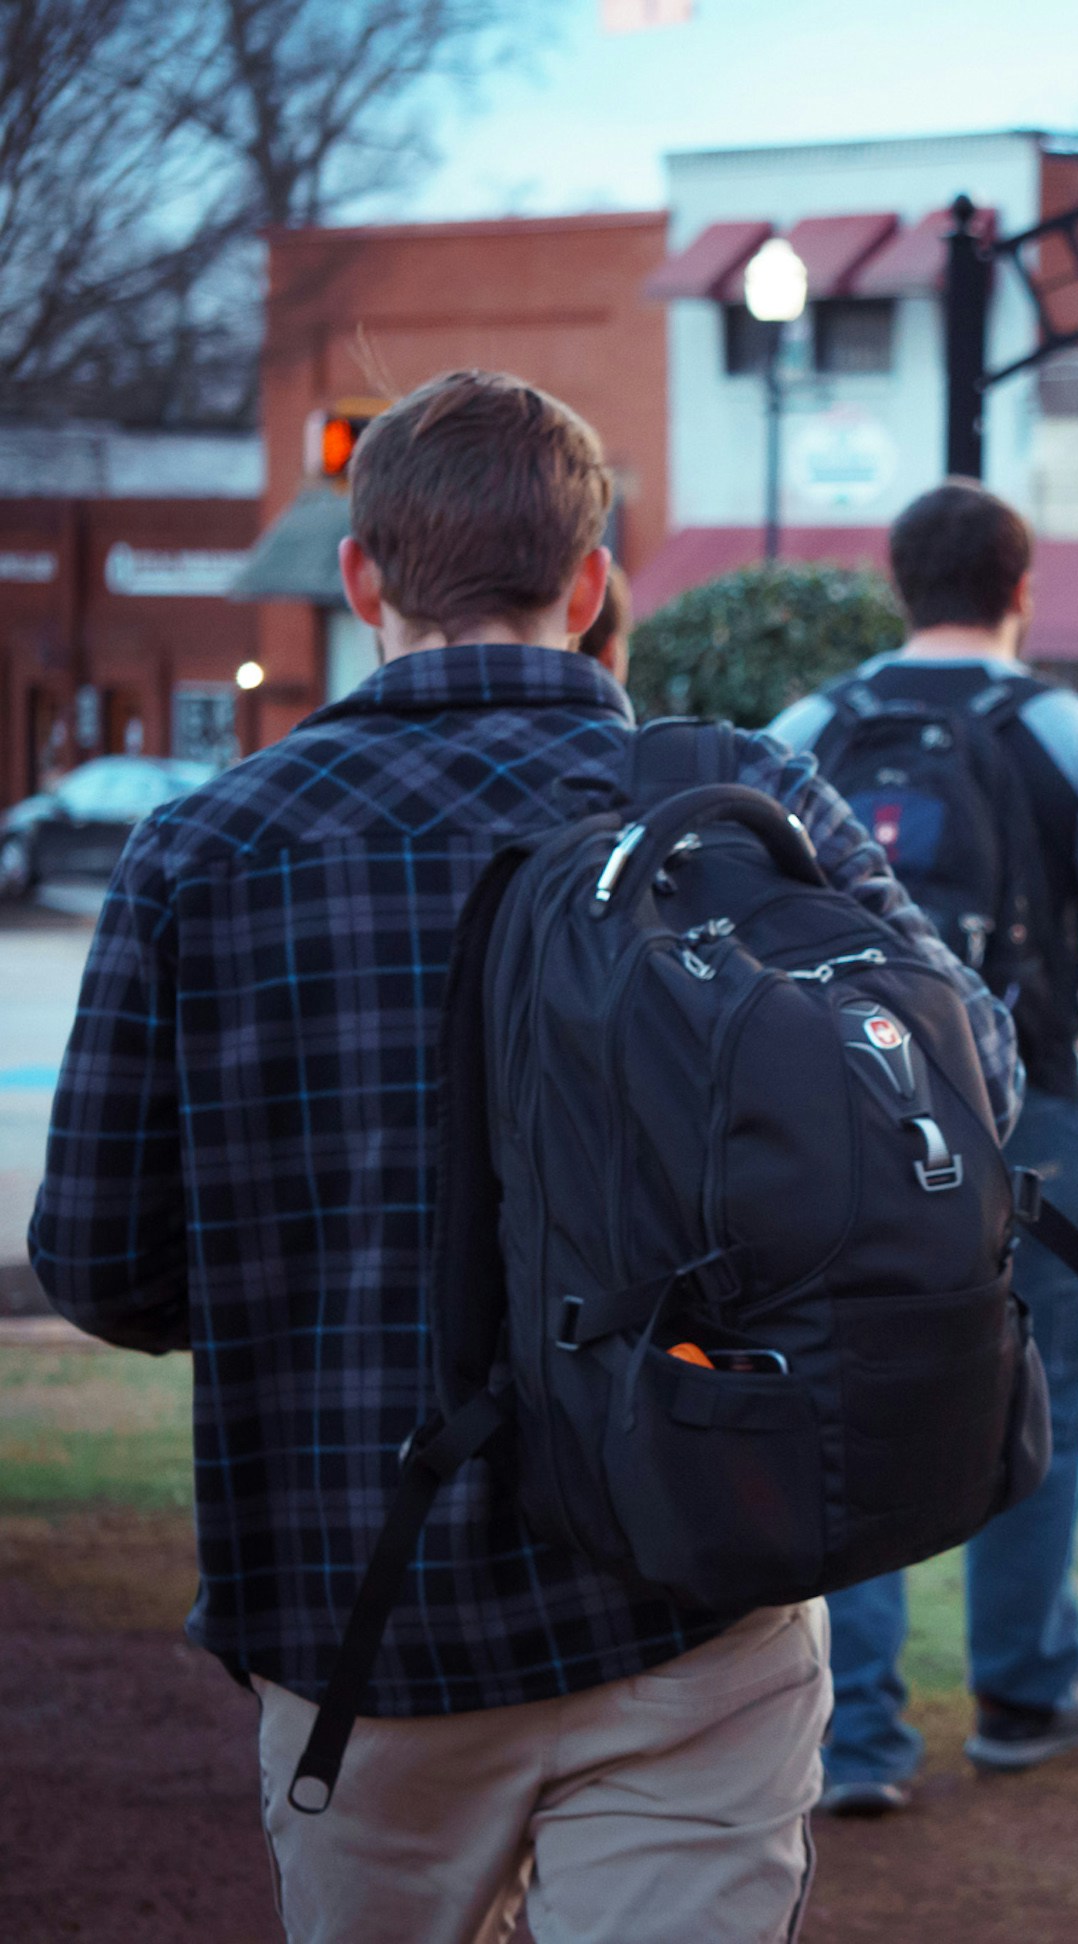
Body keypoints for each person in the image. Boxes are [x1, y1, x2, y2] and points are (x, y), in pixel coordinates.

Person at [28, 370, 1021, 1944]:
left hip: (366, 1611)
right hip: (701, 1576)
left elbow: (97, 1264)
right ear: (593, 581)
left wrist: (329, 1273)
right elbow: (970, 1080)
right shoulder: (740, 803)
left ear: (360, 580)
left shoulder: (204, 852)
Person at [768, 479, 1078, 1815]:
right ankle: (1021, 1690)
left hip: (840, 1126)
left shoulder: (806, 732)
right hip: (1029, 1121)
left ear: (897, 585)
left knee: (839, 1397)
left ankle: (858, 1734)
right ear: (1023, 588)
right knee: (1034, 1388)